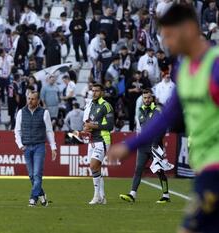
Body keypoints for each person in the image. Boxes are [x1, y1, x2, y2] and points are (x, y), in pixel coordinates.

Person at [107, 5, 219, 233]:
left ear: (188, 29)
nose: (166, 43)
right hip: (206, 166)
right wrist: (130, 145)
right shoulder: (184, 68)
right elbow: (167, 114)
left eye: (169, 35)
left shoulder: (215, 66)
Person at [119, 89, 170, 204]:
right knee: (138, 169)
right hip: (143, 147)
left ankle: (166, 195)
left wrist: (156, 143)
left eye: (148, 98)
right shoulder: (140, 110)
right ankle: (132, 194)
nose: (147, 100)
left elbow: (162, 129)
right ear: (142, 99)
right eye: (145, 98)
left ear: (152, 98)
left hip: (155, 146)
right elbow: (143, 127)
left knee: (159, 171)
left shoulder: (158, 110)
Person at [14, 91, 57, 207]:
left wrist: (53, 147)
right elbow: (17, 130)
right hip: (27, 147)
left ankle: (33, 198)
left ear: (38, 100)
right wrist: (20, 144)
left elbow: (49, 130)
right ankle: (42, 196)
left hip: (39, 146)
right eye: (28, 98)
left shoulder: (45, 113)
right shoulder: (21, 113)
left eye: (32, 99)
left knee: (37, 174)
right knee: (32, 175)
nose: (30, 101)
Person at [83, 84, 114, 204]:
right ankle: (102, 197)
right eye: (93, 91)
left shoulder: (106, 106)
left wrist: (93, 126)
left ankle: (96, 196)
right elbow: (88, 123)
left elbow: (110, 126)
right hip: (92, 141)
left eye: (97, 91)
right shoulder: (91, 105)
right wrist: (86, 128)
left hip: (103, 139)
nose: (94, 93)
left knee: (93, 165)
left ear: (102, 93)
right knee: (96, 168)